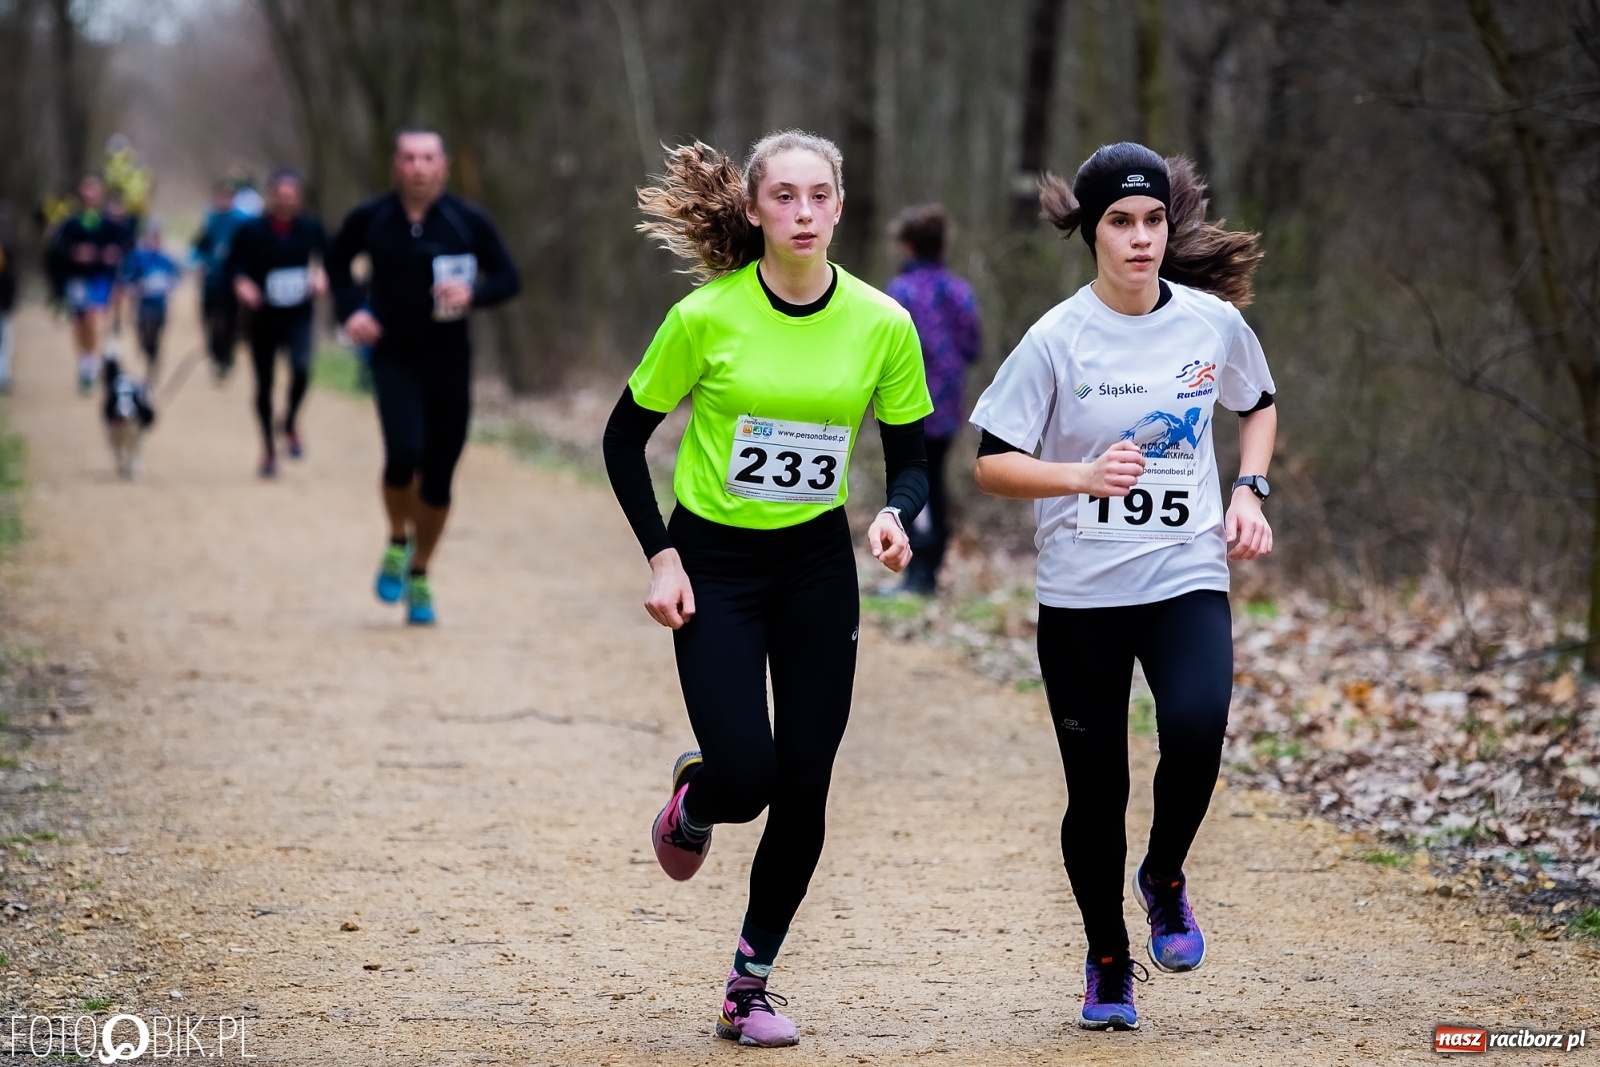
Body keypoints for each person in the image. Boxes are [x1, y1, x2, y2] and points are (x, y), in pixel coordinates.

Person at [602, 132, 932, 1048]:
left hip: (817, 567)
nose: (801, 213)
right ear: (752, 210)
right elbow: (622, 439)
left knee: (809, 784)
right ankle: (697, 800)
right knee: (748, 775)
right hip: (715, 566)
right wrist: (661, 555)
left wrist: (898, 515)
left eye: (817, 195)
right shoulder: (706, 317)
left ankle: (748, 983)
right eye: (781, 196)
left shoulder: (881, 322)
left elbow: (910, 458)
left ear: (839, 205)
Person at [969, 142, 1275, 1033]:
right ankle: (1108, 956)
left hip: (1185, 575)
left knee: (1194, 728)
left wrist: (1250, 489)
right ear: (1092, 233)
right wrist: (1078, 477)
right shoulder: (1058, 337)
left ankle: (1166, 873)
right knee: (1095, 790)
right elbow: (992, 464)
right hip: (1082, 597)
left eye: (1153, 221)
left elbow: (1256, 404)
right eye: (1121, 223)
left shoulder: (1211, 323)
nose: (1141, 239)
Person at [326, 128, 521, 626]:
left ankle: (420, 571)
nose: (418, 167)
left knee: (438, 477)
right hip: (392, 356)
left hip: (449, 361)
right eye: (409, 157)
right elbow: (335, 261)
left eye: (428, 158)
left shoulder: (467, 221)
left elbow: (509, 278)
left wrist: (473, 295)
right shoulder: (371, 219)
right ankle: (396, 537)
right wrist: (351, 311)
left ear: (444, 167)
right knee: (402, 455)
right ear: (396, 165)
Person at [884, 204, 981, 595]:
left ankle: (920, 573)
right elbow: (973, 346)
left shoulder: (900, 292)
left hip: (908, 405)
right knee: (933, 480)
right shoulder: (959, 291)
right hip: (949, 406)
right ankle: (928, 566)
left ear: (907, 246)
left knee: (913, 480)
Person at [227, 169, 327, 478]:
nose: (285, 202)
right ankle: (268, 449)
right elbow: (233, 266)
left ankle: (291, 422)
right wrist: (243, 285)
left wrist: (321, 277)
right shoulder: (251, 230)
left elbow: (330, 259)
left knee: (301, 369)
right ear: (270, 197)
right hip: (263, 317)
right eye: (280, 196)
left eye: (291, 197)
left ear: (300, 199)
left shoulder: (310, 228)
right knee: (264, 385)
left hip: (298, 313)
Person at [49, 176, 131, 394]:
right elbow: (56, 249)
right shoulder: (71, 223)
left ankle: (92, 366)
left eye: (94, 189)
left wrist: (113, 252)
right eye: (86, 188)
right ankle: (84, 363)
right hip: (77, 278)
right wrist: (74, 253)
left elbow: (126, 242)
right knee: (79, 324)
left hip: (99, 278)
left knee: (92, 318)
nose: (90, 193)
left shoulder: (109, 223)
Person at [193, 181, 250, 379]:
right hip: (212, 279)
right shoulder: (211, 219)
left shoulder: (242, 221)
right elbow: (200, 245)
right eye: (221, 196)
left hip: (232, 281)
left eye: (229, 196)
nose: (224, 200)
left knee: (230, 322)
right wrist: (198, 265)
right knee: (210, 320)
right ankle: (216, 354)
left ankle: (227, 355)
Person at [119, 222, 181, 382]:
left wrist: (168, 288)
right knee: (143, 335)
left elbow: (175, 278)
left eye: (157, 237)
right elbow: (125, 278)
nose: (155, 240)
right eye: (152, 237)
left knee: (155, 336)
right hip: (142, 305)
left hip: (159, 305)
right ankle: (147, 358)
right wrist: (135, 288)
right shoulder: (137, 258)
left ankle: (152, 364)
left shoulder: (166, 259)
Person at [0, 215, 15, 393]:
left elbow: (10, 280)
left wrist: (9, 302)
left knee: (4, 339)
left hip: (3, 303)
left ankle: (3, 375)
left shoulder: (7, 250)